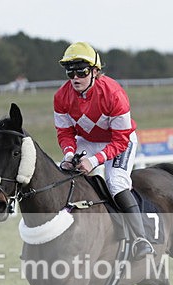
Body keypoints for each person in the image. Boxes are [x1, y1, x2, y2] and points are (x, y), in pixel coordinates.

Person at [53, 41, 154, 259]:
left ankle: (141, 238)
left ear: (95, 71)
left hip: (119, 141)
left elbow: (120, 140)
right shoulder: (61, 97)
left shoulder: (114, 94)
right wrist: (69, 154)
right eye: (70, 73)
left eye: (81, 72)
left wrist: (94, 160)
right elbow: (65, 133)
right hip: (88, 140)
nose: (75, 78)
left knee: (116, 182)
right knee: (66, 173)